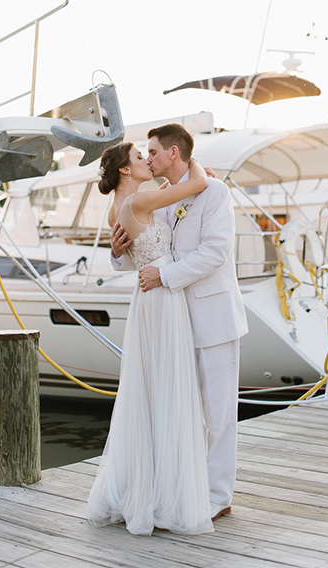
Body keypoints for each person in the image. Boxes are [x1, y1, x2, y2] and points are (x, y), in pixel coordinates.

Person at [109, 123, 249, 521]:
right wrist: (118, 252)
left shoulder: (215, 192)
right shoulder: (162, 199)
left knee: (218, 412)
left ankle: (217, 496)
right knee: (183, 410)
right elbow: (143, 249)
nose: (148, 159)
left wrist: (164, 276)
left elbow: (215, 252)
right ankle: (184, 486)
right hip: (172, 320)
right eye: (145, 154)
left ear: (173, 152)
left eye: (153, 152)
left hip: (213, 315)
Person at [86, 141, 213, 535]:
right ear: (126, 170)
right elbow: (198, 183)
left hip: (148, 297)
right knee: (168, 388)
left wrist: (118, 253)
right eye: (142, 158)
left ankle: (144, 485)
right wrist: (188, 160)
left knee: (147, 390)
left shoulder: (118, 208)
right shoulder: (141, 202)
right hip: (161, 296)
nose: (149, 161)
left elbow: (126, 257)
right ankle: (162, 492)